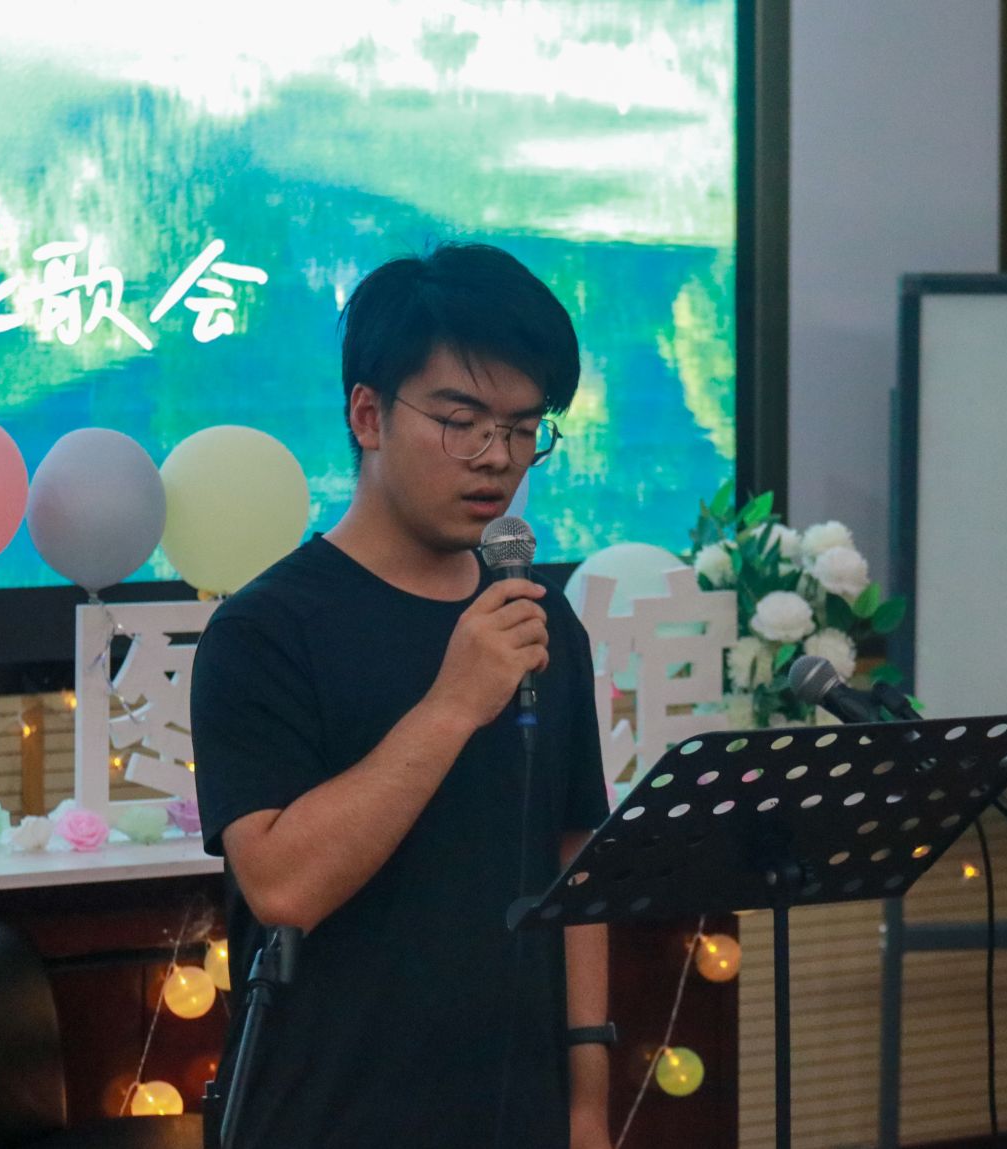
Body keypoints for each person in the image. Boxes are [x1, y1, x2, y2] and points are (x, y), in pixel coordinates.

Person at [191, 243, 614, 1149]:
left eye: (524, 428)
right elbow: (282, 885)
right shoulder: (265, 630)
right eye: (462, 422)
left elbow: (573, 848)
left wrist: (587, 1092)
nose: (497, 459)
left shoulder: (539, 619)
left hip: (519, 1111)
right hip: (329, 1114)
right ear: (368, 414)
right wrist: (453, 703)